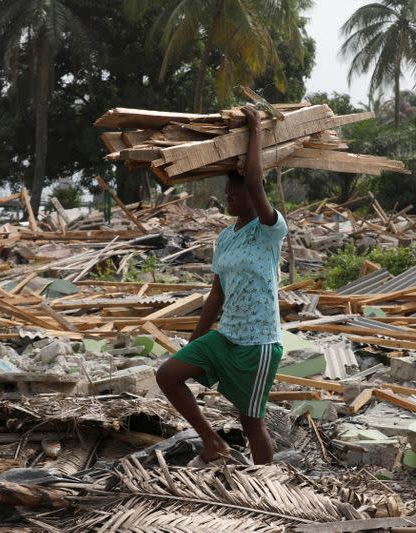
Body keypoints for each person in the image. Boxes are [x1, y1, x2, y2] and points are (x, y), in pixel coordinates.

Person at [155, 106, 287, 465]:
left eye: (235, 191)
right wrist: (197, 339)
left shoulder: (270, 231)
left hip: (258, 343)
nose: (228, 196)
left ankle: (268, 485)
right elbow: (217, 291)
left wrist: (256, 129)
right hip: (226, 337)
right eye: (226, 191)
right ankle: (213, 443)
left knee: (252, 422)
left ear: (252, 196)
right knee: (168, 374)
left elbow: (257, 183)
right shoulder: (226, 237)